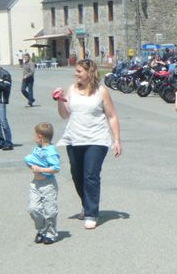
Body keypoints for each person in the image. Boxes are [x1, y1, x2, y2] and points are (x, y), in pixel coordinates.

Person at [55, 58, 121, 229]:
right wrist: (60, 101)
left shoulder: (101, 91)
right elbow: (64, 115)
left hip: (96, 139)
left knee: (90, 175)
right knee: (77, 175)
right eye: (76, 71)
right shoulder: (71, 89)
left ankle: (92, 213)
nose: (75, 74)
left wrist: (117, 140)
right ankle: (86, 205)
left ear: (89, 73)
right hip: (74, 138)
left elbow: (112, 116)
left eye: (79, 71)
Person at [25, 122, 60, 244]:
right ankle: (41, 229)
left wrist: (40, 169)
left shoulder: (51, 151)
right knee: (33, 208)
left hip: (48, 184)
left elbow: (56, 168)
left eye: (35, 135)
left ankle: (50, 233)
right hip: (35, 183)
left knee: (50, 211)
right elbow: (31, 161)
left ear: (40, 136)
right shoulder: (38, 148)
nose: (34, 137)